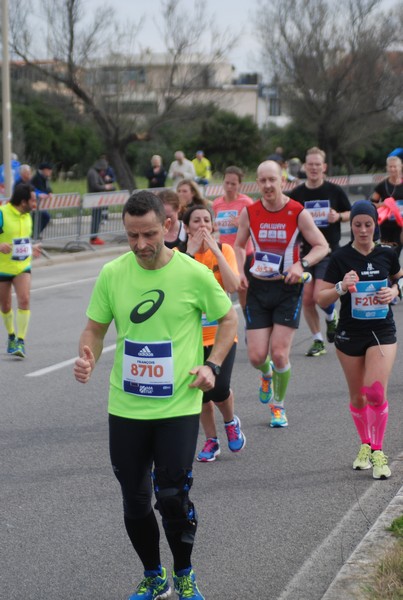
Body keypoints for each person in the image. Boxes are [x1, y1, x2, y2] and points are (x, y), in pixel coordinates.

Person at [73, 191, 237, 600]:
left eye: (148, 234)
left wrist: (212, 365)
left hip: (178, 404)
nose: (141, 245)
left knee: (172, 495)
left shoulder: (192, 273)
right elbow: (94, 327)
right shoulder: (113, 273)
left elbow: (229, 318)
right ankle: (153, 575)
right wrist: (87, 355)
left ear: (166, 225)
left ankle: (184, 572)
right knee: (134, 499)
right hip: (126, 406)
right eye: (132, 236)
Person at [234, 160, 328, 427]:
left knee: (279, 354)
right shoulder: (250, 212)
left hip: (288, 288)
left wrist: (302, 264)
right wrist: (240, 270)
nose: (267, 185)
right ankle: (266, 375)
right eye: (262, 180)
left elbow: (322, 246)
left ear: (282, 181)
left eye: (272, 180)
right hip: (258, 287)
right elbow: (239, 245)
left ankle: (278, 405)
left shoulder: (297, 211)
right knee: (256, 356)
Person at [317, 200, 403, 479]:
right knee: (358, 397)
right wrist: (342, 286)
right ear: (350, 225)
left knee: (375, 392)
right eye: (357, 225)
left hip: (382, 332)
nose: (363, 230)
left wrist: (395, 291)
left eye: (368, 224)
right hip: (350, 334)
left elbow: (400, 279)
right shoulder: (340, 257)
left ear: (375, 224)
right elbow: (321, 297)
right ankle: (365, 445)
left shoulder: (387, 255)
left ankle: (378, 451)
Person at [181, 205, 245, 462]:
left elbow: (232, 285)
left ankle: (230, 421)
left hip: (221, 334)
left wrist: (217, 252)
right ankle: (211, 440)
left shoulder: (225, 251)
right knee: (200, 392)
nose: (202, 226)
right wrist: (190, 253)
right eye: (196, 221)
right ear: (187, 228)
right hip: (192, 337)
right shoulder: (179, 256)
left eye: (207, 220)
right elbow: (177, 289)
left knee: (219, 388)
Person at [288, 147, 351, 357]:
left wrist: (338, 216)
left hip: (328, 251)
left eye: (318, 165)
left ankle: (331, 316)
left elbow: (351, 212)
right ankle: (318, 340)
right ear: (305, 167)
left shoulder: (334, 191)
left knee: (317, 295)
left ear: (324, 167)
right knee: (306, 299)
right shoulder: (297, 194)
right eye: (310, 164)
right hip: (305, 253)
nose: (314, 168)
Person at [0, 183, 40, 358]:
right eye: (33, 200)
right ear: (23, 201)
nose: (35, 204)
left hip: (23, 266)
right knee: (6, 305)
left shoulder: (27, 216)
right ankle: (11, 335)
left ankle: (20, 341)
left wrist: (32, 249)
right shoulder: (2, 213)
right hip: (2, 267)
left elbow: (22, 242)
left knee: (24, 299)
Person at [212, 166, 254, 312]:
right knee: (222, 288)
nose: (229, 187)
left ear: (239, 185)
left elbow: (256, 228)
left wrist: (243, 225)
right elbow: (217, 226)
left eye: (233, 184)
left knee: (243, 290)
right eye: (227, 182)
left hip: (244, 253)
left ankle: (248, 322)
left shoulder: (246, 202)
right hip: (225, 253)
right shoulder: (217, 203)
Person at [370, 155, 403, 256]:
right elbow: (371, 204)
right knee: (388, 253)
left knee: (397, 250)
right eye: (390, 166)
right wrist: (382, 204)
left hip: (401, 225)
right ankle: (391, 271)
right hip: (386, 225)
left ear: (400, 167)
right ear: (387, 168)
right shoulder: (382, 185)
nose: (392, 169)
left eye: (395, 166)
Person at [86, 158, 116, 245]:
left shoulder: (95, 173)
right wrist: (106, 187)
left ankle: (95, 236)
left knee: (98, 218)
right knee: (96, 218)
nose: (103, 171)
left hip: (98, 199)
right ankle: (93, 238)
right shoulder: (93, 173)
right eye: (103, 170)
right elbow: (95, 186)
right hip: (95, 199)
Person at [30, 162, 53, 238]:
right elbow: (41, 190)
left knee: (43, 218)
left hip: (39, 204)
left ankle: (35, 234)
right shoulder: (37, 178)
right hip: (35, 204)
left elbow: (47, 188)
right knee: (45, 217)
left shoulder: (44, 178)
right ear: (44, 170)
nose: (50, 172)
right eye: (49, 170)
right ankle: (34, 234)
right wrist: (47, 192)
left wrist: (49, 192)